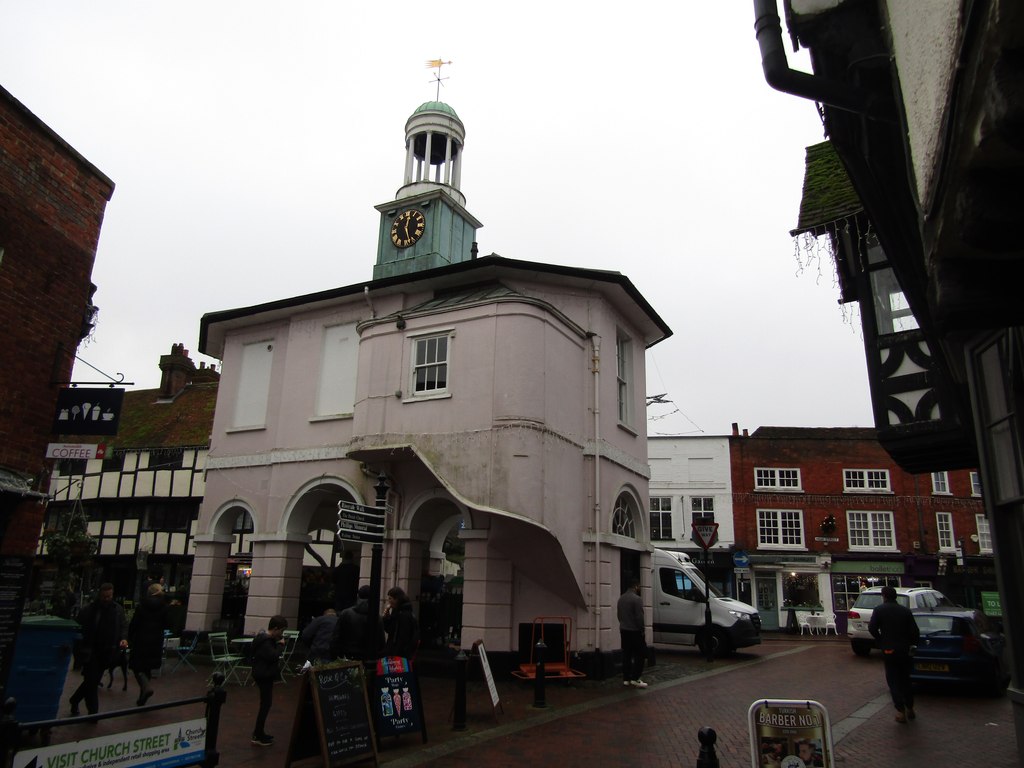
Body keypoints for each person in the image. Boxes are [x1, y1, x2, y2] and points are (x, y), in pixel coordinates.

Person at [69, 583, 128, 716]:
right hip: (91, 651)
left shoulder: (117, 610)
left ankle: (74, 700)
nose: (107, 599)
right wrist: (79, 652)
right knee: (91, 681)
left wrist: (123, 638)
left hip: (107, 652)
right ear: (99, 595)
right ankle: (93, 713)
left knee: (92, 681)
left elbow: (123, 625)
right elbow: (79, 630)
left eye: (109, 596)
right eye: (104, 596)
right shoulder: (90, 610)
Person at [868, 585, 920, 723]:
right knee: (905, 679)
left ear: (884, 596)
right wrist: (911, 645)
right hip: (904, 650)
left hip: (889, 650)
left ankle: (900, 710)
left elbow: (872, 628)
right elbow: (915, 632)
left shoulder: (879, 610)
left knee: (893, 680)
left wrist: (881, 641)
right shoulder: (905, 611)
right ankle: (910, 708)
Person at [128, 582, 169, 706]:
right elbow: (168, 624)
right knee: (147, 667)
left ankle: (145, 687)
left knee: (137, 666)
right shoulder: (165, 607)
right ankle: (143, 695)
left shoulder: (142, 606)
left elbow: (134, 623)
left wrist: (129, 637)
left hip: (141, 639)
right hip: (156, 640)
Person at [251, 615, 288, 746]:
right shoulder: (266, 641)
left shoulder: (262, 639)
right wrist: (280, 645)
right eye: (281, 631)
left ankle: (259, 732)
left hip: (262, 673)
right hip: (264, 674)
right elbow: (273, 656)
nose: (281, 634)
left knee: (265, 704)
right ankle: (258, 734)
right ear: (276, 628)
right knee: (265, 704)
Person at [331, 585, 383, 660]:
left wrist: (336, 656)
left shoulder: (346, 613)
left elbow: (336, 637)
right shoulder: (377, 617)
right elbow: (380, 643)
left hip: (347, 657)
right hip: (368, 659)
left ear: (358, 596)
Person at [617, 576, 647, 688]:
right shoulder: (637, 599)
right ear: (636, 586)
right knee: (640, 655)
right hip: (635, 631)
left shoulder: (621, 598)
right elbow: (639, 617)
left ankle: (626, 678)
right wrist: (642, 629)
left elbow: (619, 615)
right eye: (638, 586)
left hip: (624, 630)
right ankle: (636, 678)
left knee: (626, 655)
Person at [382, 586, 419, 660]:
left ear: (397, 599)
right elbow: (390, 630)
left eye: (390, 598)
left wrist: (395, 655)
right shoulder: (396, 611)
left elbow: (403, 638)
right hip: (393, 651)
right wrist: (386, 618)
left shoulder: (404, 615)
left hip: (399, 654)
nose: (388, 601)